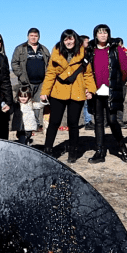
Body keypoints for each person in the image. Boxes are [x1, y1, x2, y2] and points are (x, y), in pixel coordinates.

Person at [40, 30, 96, 163]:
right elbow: (50, 74)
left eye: (71, 39)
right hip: (58, 91)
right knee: (54, 122)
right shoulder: (57, 53)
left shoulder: (83, 54)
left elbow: (87, 74)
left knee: (73, 123)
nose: (69, 42)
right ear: (62, 41)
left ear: (76, 40)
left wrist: (91, 90)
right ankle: (48, 149)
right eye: (66, 39)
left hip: (77, 91)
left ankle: (73, 151)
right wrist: (45, 92)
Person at [85, 25, 127, 163]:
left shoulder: (115, 49)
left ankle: (122, 147)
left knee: (112, 120)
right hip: (96, 91)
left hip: (111, 90)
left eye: (105, 33)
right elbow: (85, 69)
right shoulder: (90, 50)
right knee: (98, 121)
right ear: (95, 35)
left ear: (109, 35)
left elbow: (126, 68)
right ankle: (100, 152)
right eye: (100, 33)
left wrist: (117, 82)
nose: (103, 35)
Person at [12, 28, 51, 131]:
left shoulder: (44, 49)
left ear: (39, 37)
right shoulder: (20, 48)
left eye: (36, 36)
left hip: (41, 83)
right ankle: (24, 127)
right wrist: (21, 76)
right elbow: (14, 63)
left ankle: (36, 124)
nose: (33, 38)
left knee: (38, 104)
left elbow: (49, 64)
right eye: (31, 36)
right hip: (26, 83)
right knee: (26, 104)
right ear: (28, 36)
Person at [79, 35, 94, 130]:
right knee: (84, 103)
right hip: (81, 81)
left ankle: (89, 121)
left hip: (89, 80)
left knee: (88, 103)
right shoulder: (79, 54)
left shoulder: (89, 53)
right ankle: (87, 122)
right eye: (86, 42)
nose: (88, 44)